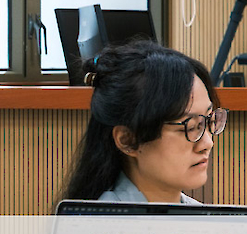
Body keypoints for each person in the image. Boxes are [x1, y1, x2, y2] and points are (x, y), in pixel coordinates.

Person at [60, 41, 227, 204]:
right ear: (128, 140)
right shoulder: (98, 220)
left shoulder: (202, 216)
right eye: (191, 127)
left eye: (209, 120)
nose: (208, 143)